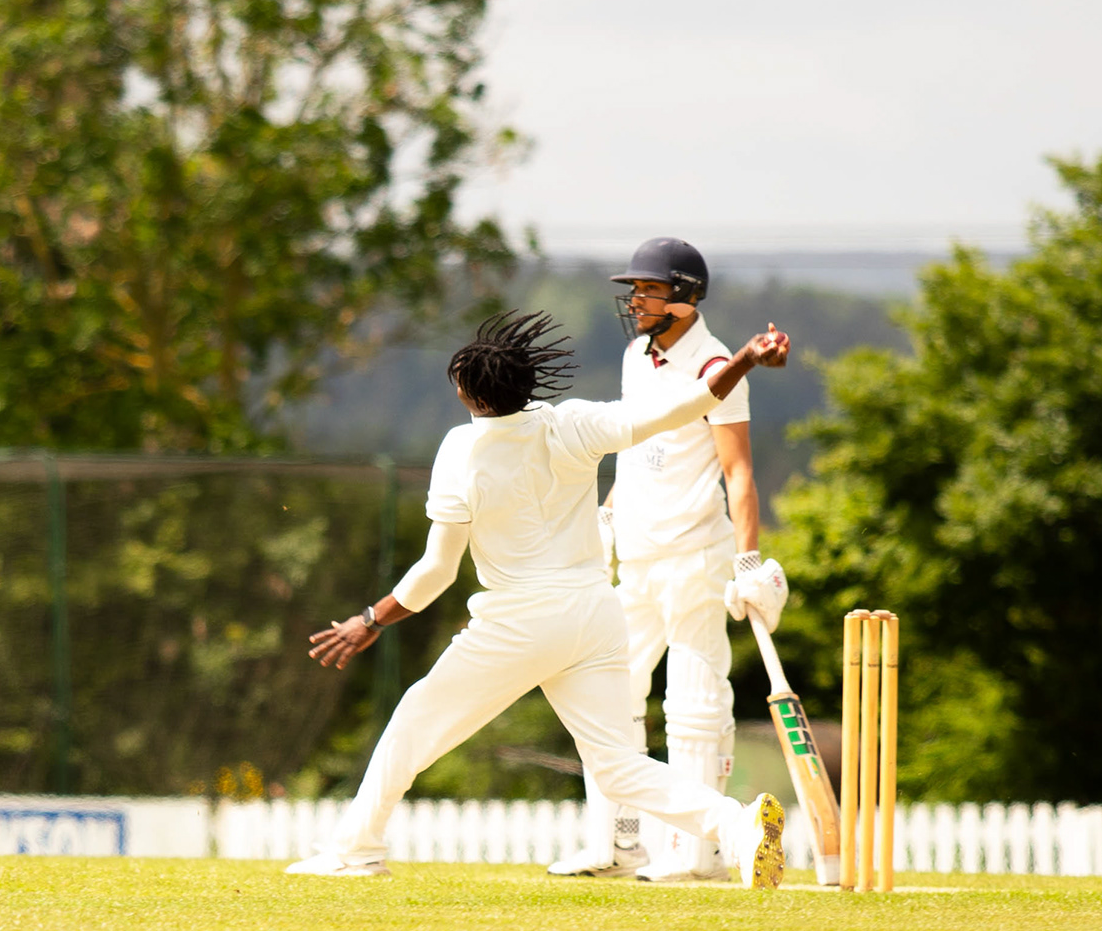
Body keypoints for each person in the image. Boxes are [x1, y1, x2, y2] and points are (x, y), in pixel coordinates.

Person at [286, 306, 792, 883]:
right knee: (617, 766)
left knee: (413, 723)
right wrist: (747, 357)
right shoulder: (573, 423)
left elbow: (436, 572)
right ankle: (737, 823)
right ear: (527, 383)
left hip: (519, 623)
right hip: (596, 613)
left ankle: (357, 850)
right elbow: (693, 403)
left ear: (464, 393)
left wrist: (370, 620)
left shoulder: (460, 451)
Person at [551, 237, 790, 883]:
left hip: (693, 555)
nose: (637, 301)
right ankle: (617, 844)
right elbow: (633, 447)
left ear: (684, 297)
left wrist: (747, 562)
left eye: (650, 290)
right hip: (636, 556)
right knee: (608, 694)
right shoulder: (638, 355)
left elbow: (738, 473)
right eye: (636, 290)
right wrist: (607, 514)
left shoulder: (716, 363)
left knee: (692, 702)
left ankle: (696, 853)